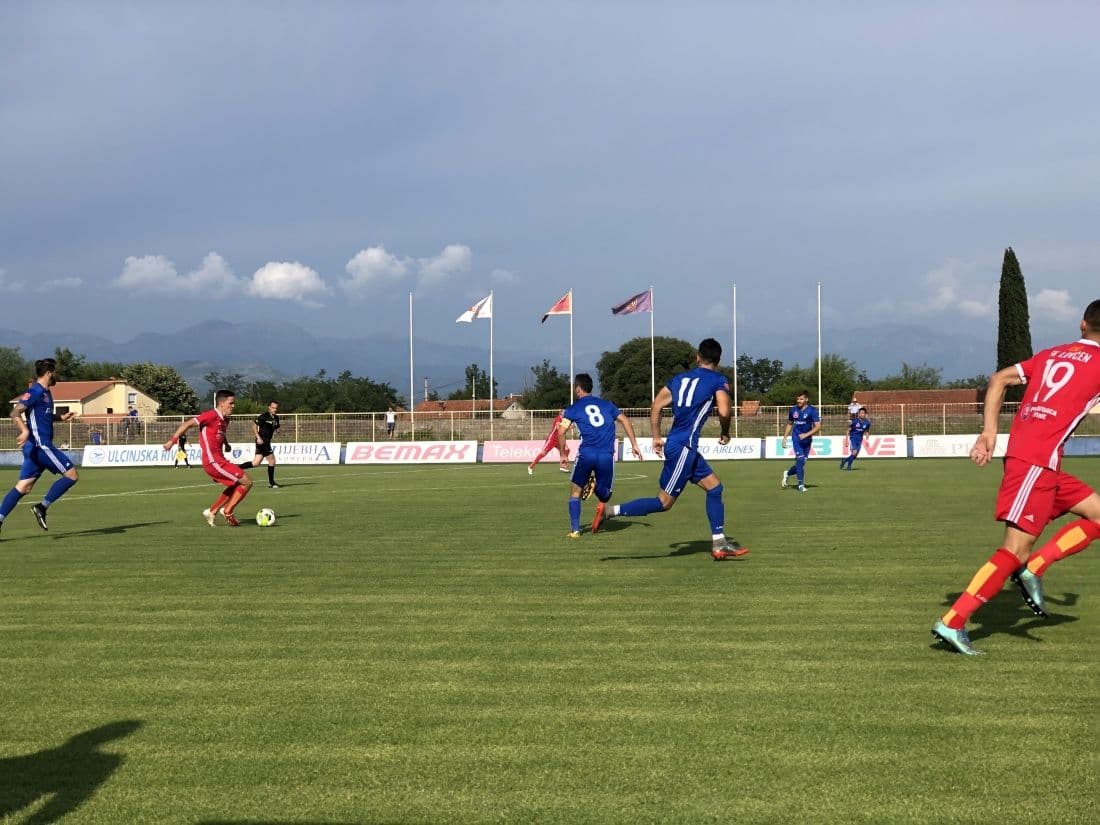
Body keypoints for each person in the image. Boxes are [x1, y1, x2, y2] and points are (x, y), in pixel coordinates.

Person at [932, 299, 1100, 655]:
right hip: (1035, 464)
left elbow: (999, 379)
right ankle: (953, 621)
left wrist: (989, 432)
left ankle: (1035, 568)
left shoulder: (1052, 354)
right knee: (1015, 550)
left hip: (1039, 460)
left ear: (1082, 324)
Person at [603, 338, 749, 561]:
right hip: (683, 447)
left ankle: (720, 543)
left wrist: (656, 436)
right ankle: (609, 511)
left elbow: (656, 405)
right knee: (664, 502)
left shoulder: (679, 379)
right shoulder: (718, 380)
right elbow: (724, 411)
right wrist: (725, 432)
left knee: (715, 488)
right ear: (718, 361)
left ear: (697, 357)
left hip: (681, 446)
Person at [0, 358, 79, 536]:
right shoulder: (35, 391)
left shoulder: (46, 392)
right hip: (40, 445)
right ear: (49, 373)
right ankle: (42, 507)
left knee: (24, 487)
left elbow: (43, 415)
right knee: (72, 475)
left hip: (35, 447)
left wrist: (61, 417)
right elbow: (15, 412)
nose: (56, 375)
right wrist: (24, 430)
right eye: (55, 372)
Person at [557, 374, 643, 538]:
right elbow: (625, 420)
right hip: (606, 455)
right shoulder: (607, 405)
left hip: (586, 454)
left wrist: (562, 454)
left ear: (578, 389)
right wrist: (634, 444)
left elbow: (561, 431)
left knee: (575, 491)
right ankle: (595, 486)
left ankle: (575, 530)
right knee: (605, 495)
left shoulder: (573, 408)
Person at [162, 389, 253, 526]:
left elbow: (220, 434)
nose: (233, 406)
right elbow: (187, 424)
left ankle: (212, 511)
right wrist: (172, 441)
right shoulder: (210, 415)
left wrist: (226, 444)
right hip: (213, 461)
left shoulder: (225, 420)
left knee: (237, 483)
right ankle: (227, 511)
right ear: (222, 403)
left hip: (220, 460)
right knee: (246, 482)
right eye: (231, 403)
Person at [781, 390, 821, 492]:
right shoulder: (793, 410)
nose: (799, 401)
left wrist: (806, 435)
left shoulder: (812, 410)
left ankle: (787, 473)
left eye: (801, 399)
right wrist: (784, 438)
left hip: (807, 440)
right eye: (798, 399)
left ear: (806, 399)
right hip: (796, 438)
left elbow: (818, 427)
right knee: (800, 459)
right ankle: (801, 485)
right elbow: (790, 424)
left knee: (801, 463)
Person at [239, 400, 281, 488]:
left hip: (267, 441)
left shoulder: (276, 418)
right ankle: (271, 483)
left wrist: (277, 430)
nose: (275, 409)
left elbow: (277, 427)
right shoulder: (264, 416)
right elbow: (254, 426)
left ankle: (235, 469)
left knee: (256, 463)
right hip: (262, 441)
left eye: (276, 408)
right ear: (269, 407)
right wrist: (258, 437)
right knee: (272, 461)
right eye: (273, 408)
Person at [528, 408, 571, 475]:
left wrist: (569, 427)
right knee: (543, 453)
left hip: (559, 439)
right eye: (564, 412)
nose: (566, 413)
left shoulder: (565, 420)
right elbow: (558, 428)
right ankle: (531, 467)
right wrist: (568, 427)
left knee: (566, 450)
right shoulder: (558, 418)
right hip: (552, 439)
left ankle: (562, 466)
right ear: (561, 413)